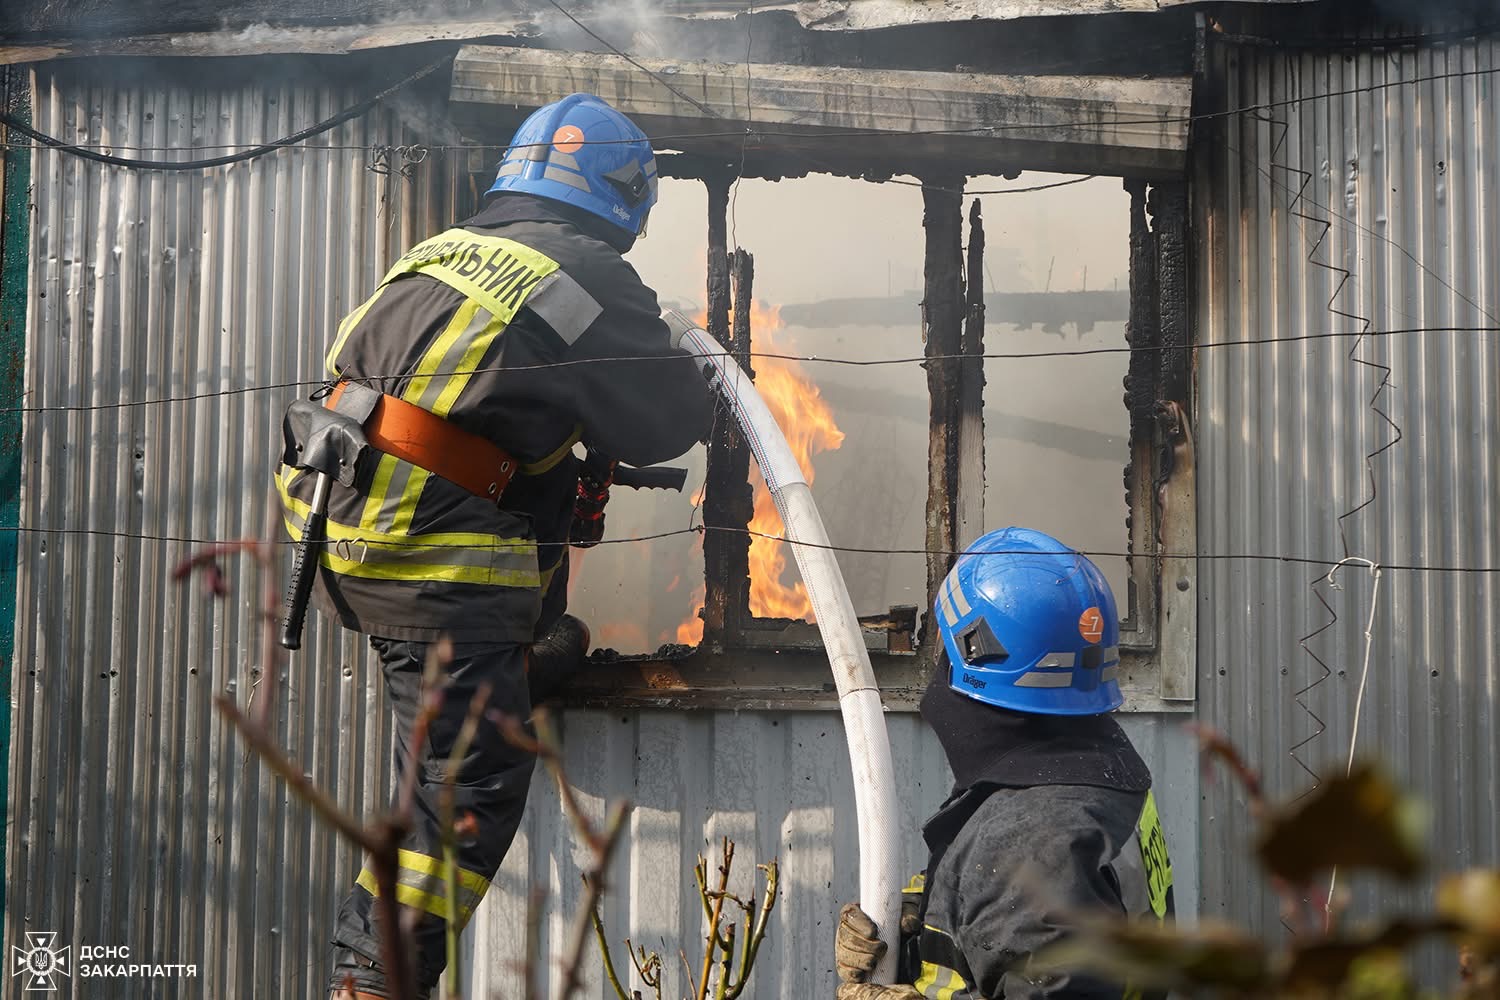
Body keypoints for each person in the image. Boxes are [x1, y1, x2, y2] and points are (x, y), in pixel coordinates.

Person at [274, 93, 715, 999]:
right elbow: (670, 420)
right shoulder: (585, 271)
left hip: (339, 531)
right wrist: (672, 339)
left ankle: (512, 658)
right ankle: (371, 975)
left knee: (540, 476)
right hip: (432, 573)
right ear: (624, 194)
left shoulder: (441, 248)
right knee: (466, 788)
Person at [833, 527, 1174, 1000]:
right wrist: (919, 916)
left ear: (971, 655)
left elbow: (1025, 893)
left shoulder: (1030, 843)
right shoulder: (1094, 775)